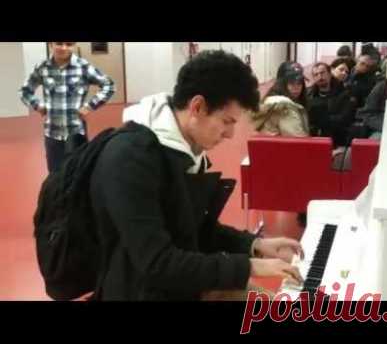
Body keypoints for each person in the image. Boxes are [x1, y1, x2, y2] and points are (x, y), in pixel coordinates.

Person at [89, 50, 304, 301]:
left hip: (182, 283)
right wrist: (249, 267)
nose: (230, 134)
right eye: (226, 121)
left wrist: (254, 246)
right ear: (197, 106)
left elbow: (194, 228)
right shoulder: (130, 158)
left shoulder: (184, 148)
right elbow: (157, 263)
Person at [19, 42, 115, 173]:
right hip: (52, 133)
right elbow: (25, 91)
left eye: (69, 44)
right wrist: (38, 106)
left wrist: (90, 106)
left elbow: (109, 86)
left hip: (76, 132)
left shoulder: (83, 67)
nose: (64, 48)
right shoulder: (43, 67)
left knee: (78, 175)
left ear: (74, 45)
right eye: (59, 43)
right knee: (55, 176)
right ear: (50, 45)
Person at [251, 63, 309, 136]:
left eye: (299, 83)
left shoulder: (270, 100)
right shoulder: (285, 106)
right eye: (291, 82)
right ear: (281, 83)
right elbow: (297, 141)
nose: (296, 87)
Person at [307, 62, 356, 147]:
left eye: (322, 73)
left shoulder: (344, 94)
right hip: (312, 138)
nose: (320, 77)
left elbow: (345, 119)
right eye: (316, 75)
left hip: (337, 139)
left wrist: (321, 120)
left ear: (330, 74)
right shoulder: (308, 94)